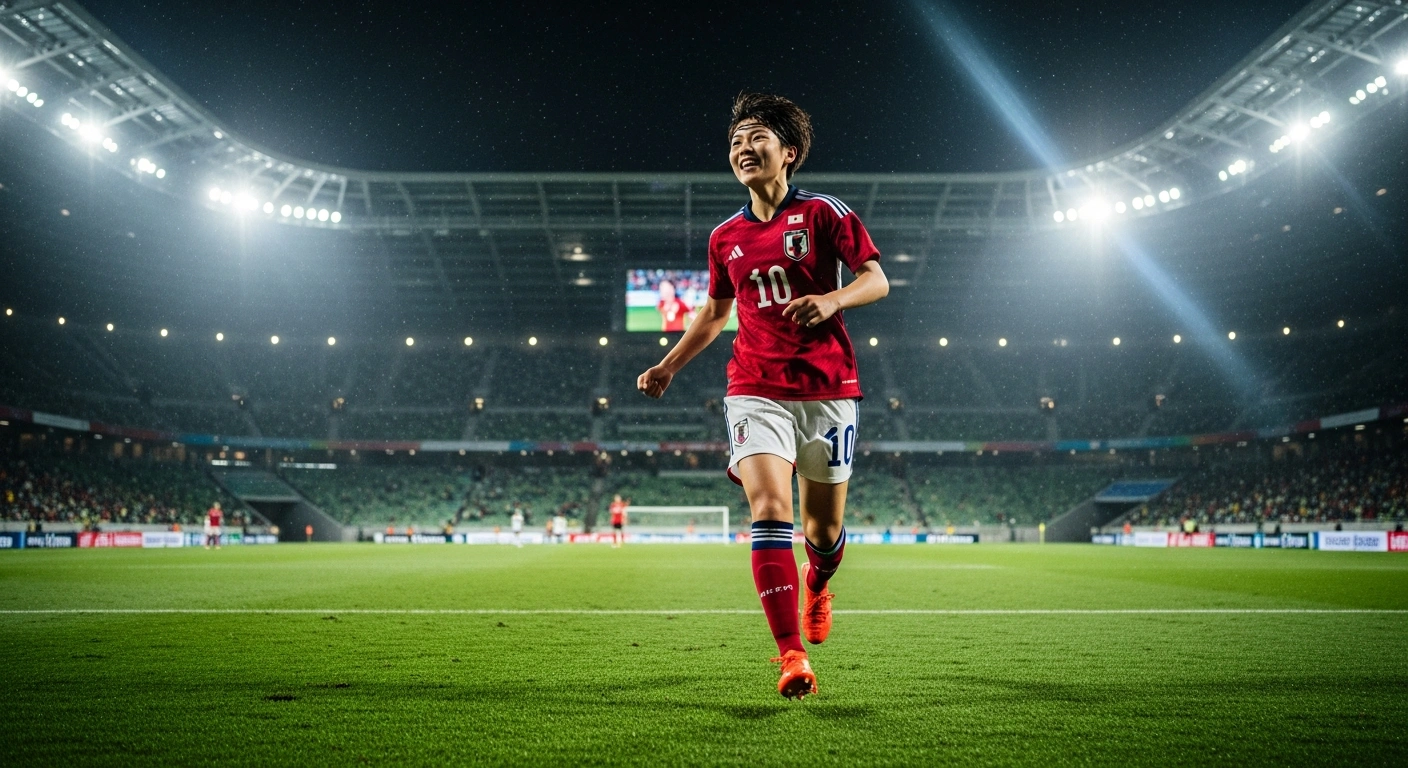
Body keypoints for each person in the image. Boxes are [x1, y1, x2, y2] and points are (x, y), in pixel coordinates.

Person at [637, 93, 888, 700]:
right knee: (770, 508)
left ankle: (819, 583)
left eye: (756, 138)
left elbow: (876, 279)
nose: (742, 149)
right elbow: (716, 312)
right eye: (735, 142)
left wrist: (833, 299)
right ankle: (790, 656)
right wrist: (669, 364)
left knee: (823, 532)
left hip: (829, 388)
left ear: (789, 153)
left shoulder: (825, 214)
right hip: (754, 388)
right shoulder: (725, 237)